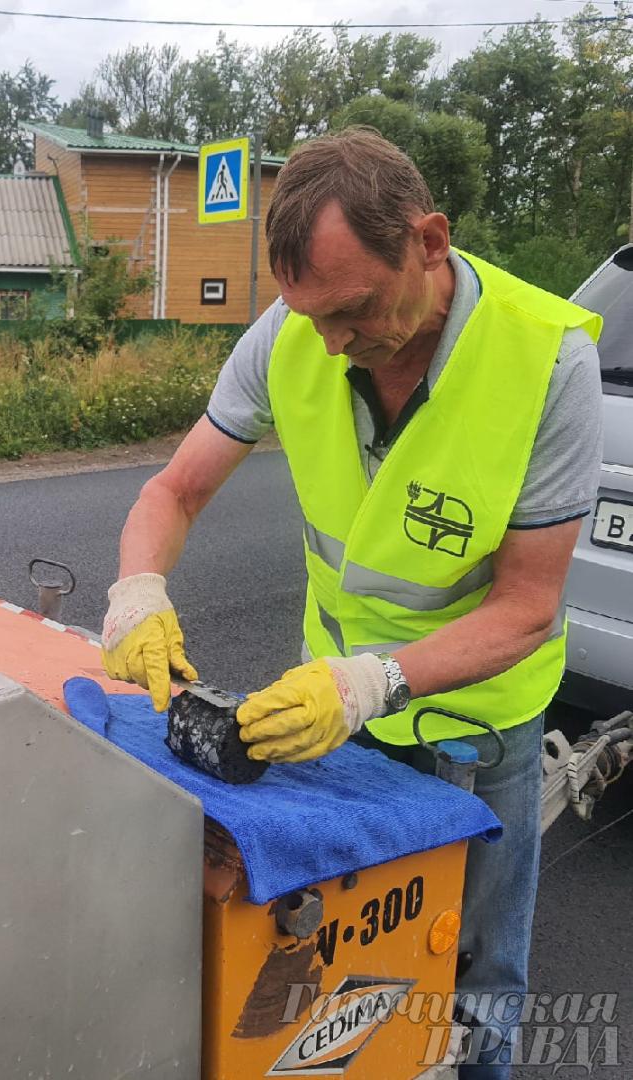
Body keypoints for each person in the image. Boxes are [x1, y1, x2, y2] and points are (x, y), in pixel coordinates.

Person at [100, 127, 603, 1079]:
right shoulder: (295, 331)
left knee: (475, 977)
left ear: (429, 240)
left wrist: (376, 681)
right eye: (309, 314)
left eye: (355, 309)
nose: (331, 343)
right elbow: (173, 492)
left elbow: (529, 606)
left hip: (479, 723)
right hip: (332, 714)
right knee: (352, 969)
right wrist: (137, 590)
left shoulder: (548, 362)